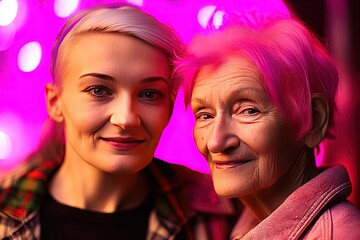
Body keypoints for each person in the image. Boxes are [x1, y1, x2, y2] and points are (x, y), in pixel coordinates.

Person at [0, 3, 240, 239]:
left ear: (169, 105)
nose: (126, 118)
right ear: (55, 102)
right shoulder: (5, 208)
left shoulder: (224, 213)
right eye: (99, 91)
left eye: (149, 94)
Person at [176, 12, 360, 239]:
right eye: (205, 115)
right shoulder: (240, 223)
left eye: (248, 110)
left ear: (315, 119)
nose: (216, 142)